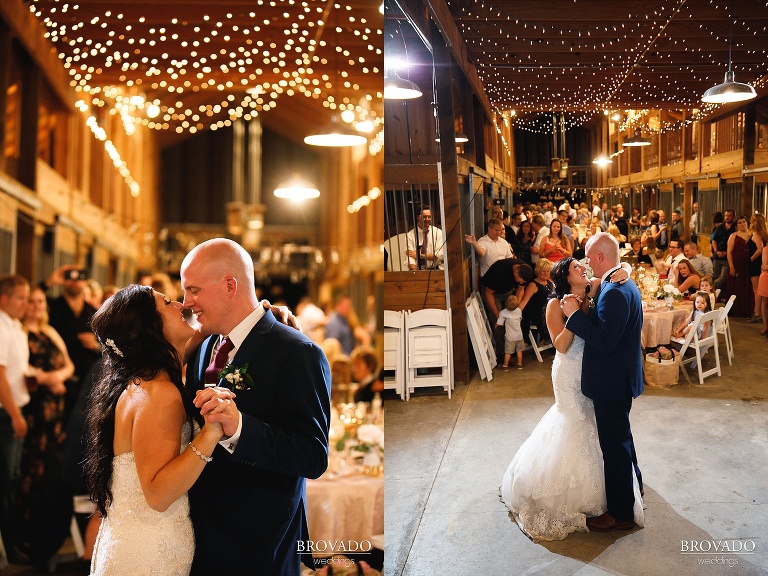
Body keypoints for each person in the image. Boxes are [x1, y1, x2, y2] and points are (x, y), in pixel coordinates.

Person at [180, 238, 331, 575]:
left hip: (258, 539)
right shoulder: (206, 345)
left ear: (230, 285)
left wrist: (240, 428)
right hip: (200, 528)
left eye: (194, 290)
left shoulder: (296, 352)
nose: (187, 303)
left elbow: (312, 456)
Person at [84, 284, 229, 576]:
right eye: (166, 302)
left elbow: (199, 332)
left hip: (137, 542)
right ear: (150, 327)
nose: (179, 304)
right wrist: (210, 433)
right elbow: (159, 494)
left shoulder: (146, 380)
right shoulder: (159, 393)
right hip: (149, 555)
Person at [500, 257, 641, 541]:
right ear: (565, 278)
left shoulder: (593, 290)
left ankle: (617, 494)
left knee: (604, 433)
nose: (583, 269)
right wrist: (573, 314)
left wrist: (623, 272)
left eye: (583, 265)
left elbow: (617, 269)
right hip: (570, 370)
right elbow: (561, 345)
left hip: (594, 371)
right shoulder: (556, 304)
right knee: (576, 425)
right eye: (577, 267)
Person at [561, 233, 645, 533]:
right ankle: (634, 489)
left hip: (612, 379)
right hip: (619, 376)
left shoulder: (614, 291)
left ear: (599, 257)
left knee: (614, 446)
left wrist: (574, 316)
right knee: (622, 438)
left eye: (587, 256)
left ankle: (620, 513)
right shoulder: (616, 283)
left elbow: (606, 341)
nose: (584, 263)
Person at [17, 287, 75, 567]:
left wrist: (56, 376)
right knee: (30, 467)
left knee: (47, 469)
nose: (38, 305)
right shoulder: (18, 332)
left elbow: (70, 365)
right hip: (33, 410)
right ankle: (24, 531)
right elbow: (19, 371)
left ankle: (41, 528)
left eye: (41, 301)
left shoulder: (50, 331)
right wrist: (46, 379)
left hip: (54, 412)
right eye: (32, 301)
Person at [0, 275, 31, 564]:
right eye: (20, 298)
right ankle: (9, 548)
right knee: (5, 481)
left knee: (12, 478)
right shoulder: (0, 326)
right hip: (5, 413)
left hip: (15, 408)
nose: (26, 304)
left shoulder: (15, 327)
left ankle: (14, 540)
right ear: (4, 298)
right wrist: (15, 414)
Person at [518, 259, 554, 344]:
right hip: (537, 314)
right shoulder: (533, 285)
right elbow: (524, 301)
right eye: (543, 271)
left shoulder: (550, 282)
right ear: (538, 271)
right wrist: (515, 314)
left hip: (549, 311)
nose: (546, 273)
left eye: (548, 271)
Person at [726, 216, 754, 317]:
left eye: (744, 222)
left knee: (748, 286)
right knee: (737, 286)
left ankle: (748, 310)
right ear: (737, 225)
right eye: (739, 223)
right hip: (737, 263)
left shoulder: (752, 234)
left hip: (749, 263)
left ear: (747, 223)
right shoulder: (733, 236)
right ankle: (736, 310)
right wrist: (731, 267)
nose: (742, 224)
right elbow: (729, 252)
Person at [406, 205, 444, 271]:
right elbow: (410, 257)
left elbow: (439, 255)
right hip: (417, 271)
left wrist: (420, 255)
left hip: (436, 270)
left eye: (429, 217)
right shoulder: (410, 235)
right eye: (424, 217)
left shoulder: (438, 232)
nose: (427, 219)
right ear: (418, 217)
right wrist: (417, 273)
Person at [747, 214, 767, 323]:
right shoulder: (763, 234)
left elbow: (760, 249)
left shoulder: (755, 234)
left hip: (755, 263)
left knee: (757, 290)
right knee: (758, 289)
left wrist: (751, 258)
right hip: (759, 262)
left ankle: (757, 312)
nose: (750, 222)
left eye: (752, 220)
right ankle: (756, 311)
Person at [496, 295, 525, 370]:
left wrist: (496, 325)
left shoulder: (503, 313)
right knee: (519, 351)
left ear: (506, 303)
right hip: (519, 336)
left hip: (510, 337)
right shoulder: (519, 311)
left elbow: (499, 323)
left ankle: (505, 366)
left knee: (508, 352)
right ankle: (519, 364)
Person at [711, 210, 735, 293]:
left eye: (729, 215)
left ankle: (709, 288)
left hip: (727, 257)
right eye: (726, 215)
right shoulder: (720, 227)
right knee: (715, 276)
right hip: (717, 256)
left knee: (722, 278)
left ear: (733, 217)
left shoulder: (735, 228)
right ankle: (717, 295)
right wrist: (716, 251)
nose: (727, 217)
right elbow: (713, 240)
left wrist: (726, 252)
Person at [758, 244, 768, 337]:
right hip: (766, 277)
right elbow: (764, 266)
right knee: (764, 301)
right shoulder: (766, 249)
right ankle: (765, 326)